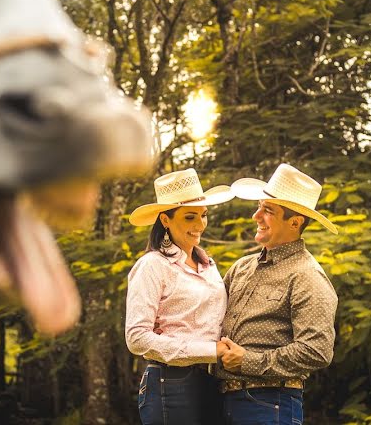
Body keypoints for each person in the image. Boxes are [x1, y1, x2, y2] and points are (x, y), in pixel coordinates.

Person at [216, 163, 339, 425]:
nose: (256, 216)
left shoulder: (307, 275)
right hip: (220, 401)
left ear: (295, 222)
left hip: (270, 404)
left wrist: (248, 361)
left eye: (268, 210)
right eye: (259, 206)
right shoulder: (241, 267)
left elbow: (317, 350)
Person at [125, 168, 235, 425]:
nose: (200, 225)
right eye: (189, 217)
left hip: (212, 380)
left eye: (203, 215)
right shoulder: (152, 265)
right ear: (165, 220)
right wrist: (209, 350)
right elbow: (137, 338)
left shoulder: (209, 266)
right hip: (171, 381)